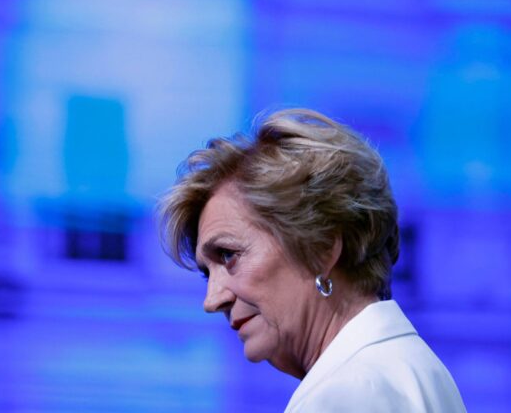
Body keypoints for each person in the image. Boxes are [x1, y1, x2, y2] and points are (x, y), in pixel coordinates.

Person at [158, 109, 466, 412]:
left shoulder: (344, 395)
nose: (212, 300)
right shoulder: (415, 371)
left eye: (228, 255)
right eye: (207, 273)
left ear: (322, 247)